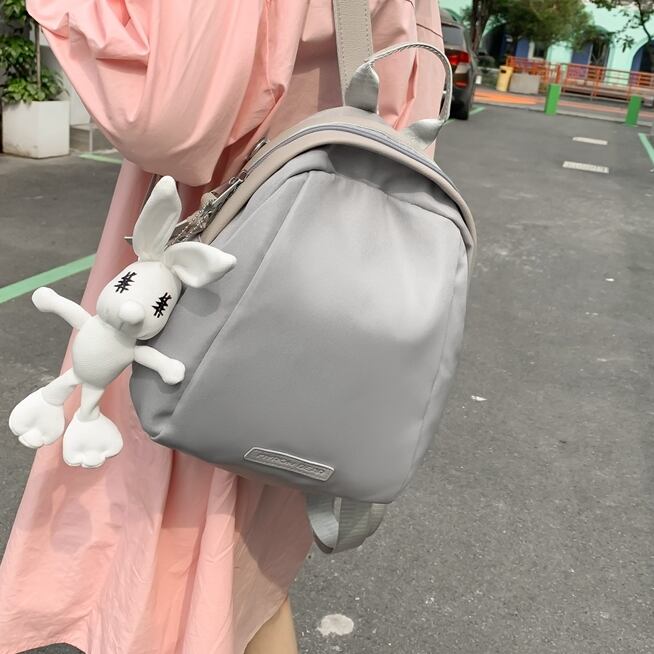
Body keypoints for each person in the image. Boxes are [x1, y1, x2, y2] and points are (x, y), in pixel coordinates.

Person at [0, 1, 445, 652]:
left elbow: (169, 119)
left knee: (175, 567)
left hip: (207, 306)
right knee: (235, 570)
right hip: (329, 312)